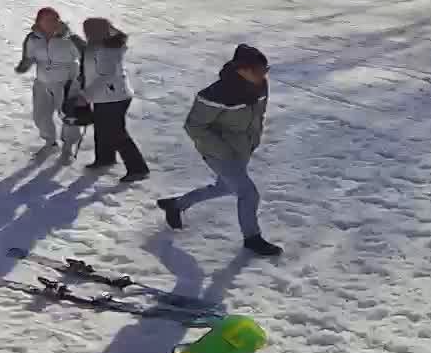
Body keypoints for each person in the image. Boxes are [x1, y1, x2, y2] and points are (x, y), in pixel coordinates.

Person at [157, 44, 280, 256]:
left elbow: (258, 114)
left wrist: (253, 139)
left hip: (243, 148)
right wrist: (223, 152)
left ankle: (176, 205)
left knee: (225, 187)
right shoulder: (215, 94)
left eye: (265, 69)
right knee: (248, 193)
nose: (264, 75)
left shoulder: (261, 85)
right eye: (259, 71)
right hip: (219, 152)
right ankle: (252, 238)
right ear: (242, 69)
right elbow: (194, 126)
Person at [79, 18, 148, 182]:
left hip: (114, 97)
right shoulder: (100, 45)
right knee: (103, 128)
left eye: (89, 30)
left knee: (116, 132)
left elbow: (106, 76)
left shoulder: (106, 50)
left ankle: (138, 168)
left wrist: (86, 95)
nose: (86, 33)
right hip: (106, 96)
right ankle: (105, 159)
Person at [16, 8, 86, 159]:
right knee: (40, 116)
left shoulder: (70, 39)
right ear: (39, 22)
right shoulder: (33, 38)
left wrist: (84, 78)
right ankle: (51, 143)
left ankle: (68, 148)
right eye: (46, 19)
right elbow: (28, 56)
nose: (51, 23)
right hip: (42, 83)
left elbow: (86, 54)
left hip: (66, 83)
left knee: (69, 117)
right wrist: (24, 65)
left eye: (54, 19)